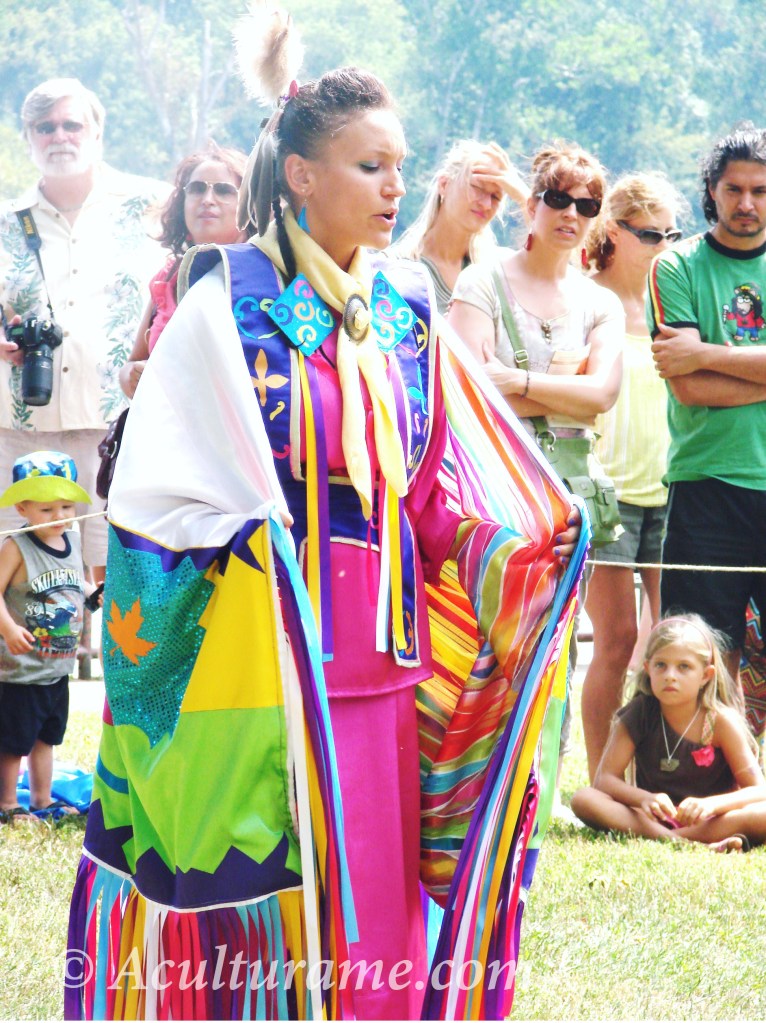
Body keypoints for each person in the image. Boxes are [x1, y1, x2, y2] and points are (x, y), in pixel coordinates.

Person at [65, 10, 584, 1022]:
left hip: (381, 674)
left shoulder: (399, 315)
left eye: (401, 165)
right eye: (368, 167)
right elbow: (159, 498)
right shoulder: (227, 307)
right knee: (273, 908)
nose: (395, 188)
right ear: (301, 175)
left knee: (375, 925)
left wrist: (525, 550)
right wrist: (254, 545)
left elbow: (435, 482)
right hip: (264, 670)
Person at [447, 140, 624, 800]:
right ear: (532, 203)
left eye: (586, 204)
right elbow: (469, 388)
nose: (571, 213)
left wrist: (516, 379)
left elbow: (602, 394)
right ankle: (474, 782)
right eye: (557, 198)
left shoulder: (599, 302)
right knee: (489, 632)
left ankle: (536, 788)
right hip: (494, 483)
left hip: (570, 494)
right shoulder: (482, 279)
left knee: (556, 640)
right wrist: (558, 383)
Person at [0, 78, 167, 580]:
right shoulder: (6, 222)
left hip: (117, 425)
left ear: (97, 132)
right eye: (44, 127)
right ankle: (42, 663)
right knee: (26, 583)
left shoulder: (153, 208)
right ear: (28, 137)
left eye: (72, 124)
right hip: (18, 430)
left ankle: (109, 662)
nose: (59, 136)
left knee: (115, 573)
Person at [649, 125, 766, 700]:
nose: (747, 203)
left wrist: (706, 353)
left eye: (761, 190)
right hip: (706, 489)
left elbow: (697, 364)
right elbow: (689, 387)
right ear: (712, 192)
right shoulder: (677, 266)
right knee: (695, 658)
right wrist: (700, 365)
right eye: (734, 189)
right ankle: (698, 784)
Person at [580, 173, 685, 780]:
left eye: (671, 234)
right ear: (614, 233)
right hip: (608, 494)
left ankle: (663, 771)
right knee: (616, 642)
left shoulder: (669, 299)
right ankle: (602, 778)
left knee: (670, 642)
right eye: (651, 234)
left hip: (669, 489)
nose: (663, 246)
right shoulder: (586, 299)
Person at [571, 615, 766, 850]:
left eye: (684, 667)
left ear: (706, 675)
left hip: (710, 821)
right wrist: (644, 799)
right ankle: (681, 842)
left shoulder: (720, 721)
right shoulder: (639, 713)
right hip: (651, 819)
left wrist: (712, 806)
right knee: (584, 798)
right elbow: (605, 780)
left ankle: (681, 838)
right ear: (648, 668)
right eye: (661, 665)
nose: (670, 675)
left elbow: (758, 789)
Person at [0, 450, 95, 822]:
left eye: (66, 507)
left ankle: (42, 799)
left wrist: (93, 593)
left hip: (56, 668)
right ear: (23, 509)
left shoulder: (71, 542)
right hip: (20, 669)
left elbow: (75, 584)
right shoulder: (16, 546)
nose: (60, 517)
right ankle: (8, 804)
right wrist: (8, 629)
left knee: (47, 737)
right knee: (13, 741)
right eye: (47, 509)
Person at [119, 143, 249, 399]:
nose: (207, 200)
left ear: (248, 205)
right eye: (197, 189)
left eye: (223, 190)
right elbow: (131, 364)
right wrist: (134, 375)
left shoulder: (271, 276)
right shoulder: (168, 279)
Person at [392, 138, 529, 312]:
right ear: (444, 185)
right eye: (477, 187)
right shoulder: (399, 269)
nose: (486, 204)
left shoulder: (496, 272)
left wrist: (524, 198)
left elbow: (552, 267)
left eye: (495, 197)